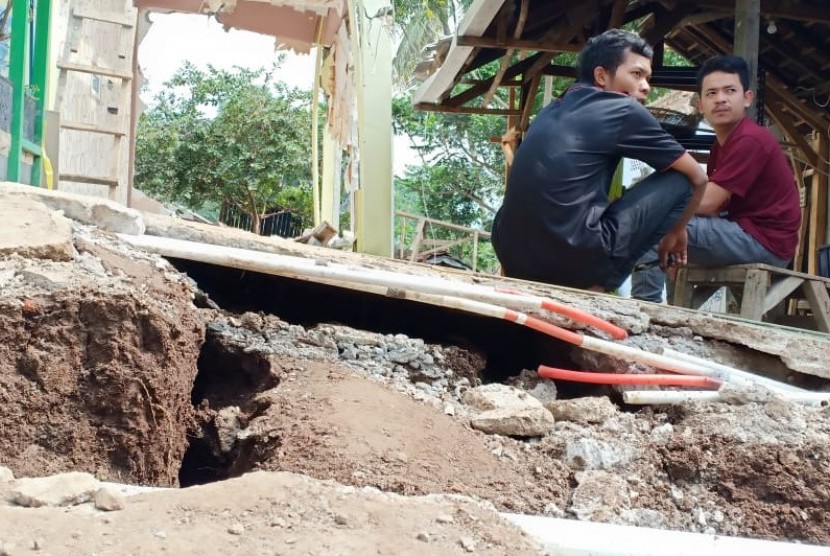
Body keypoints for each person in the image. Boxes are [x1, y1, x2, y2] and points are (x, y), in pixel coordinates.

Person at [491, 29, 707, 293]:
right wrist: (677, 231)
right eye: (637, 74)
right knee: (681, 179)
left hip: (513, 258)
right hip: (573, 262)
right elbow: (698, 177)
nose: (646, 86)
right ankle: (598, 286)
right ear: (602, 75)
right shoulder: (624, 109)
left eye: (647, 78)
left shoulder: (551, 109)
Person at [630, 55, 801, 302]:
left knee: (654, 222)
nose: (720, 98)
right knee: (670, 223)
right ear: (700, 104)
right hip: (745, 230)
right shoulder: (721, 145)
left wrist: (653, 207)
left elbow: (708, 203)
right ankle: (670, 312)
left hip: (763, 241)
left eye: (729, 90)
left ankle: (646, 307)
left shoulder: (750, 140)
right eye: (711, 93)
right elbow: (710, 204)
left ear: (747, 98)